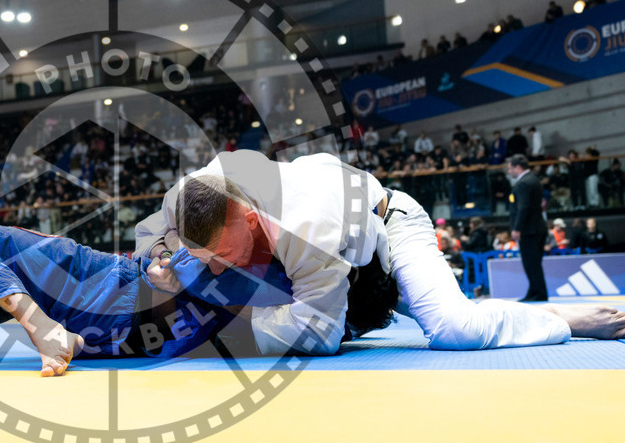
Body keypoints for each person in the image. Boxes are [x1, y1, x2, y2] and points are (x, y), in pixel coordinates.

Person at [136, 150, 625, 356]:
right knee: (195, 271)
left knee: (457, 329)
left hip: (387, 238)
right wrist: (156, 252)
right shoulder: (190, 195)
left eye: (224, 251)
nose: (221, 264)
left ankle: (573, 318)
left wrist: (221, 330)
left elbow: (321, 335)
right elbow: (154, 228)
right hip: (332, 257)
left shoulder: (307, 224)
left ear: (250, 219)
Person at [0, 218, 397, 376]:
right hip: (107, 286)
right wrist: (165, 260)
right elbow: (181, 260)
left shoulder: (299, 294)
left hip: (106, 308)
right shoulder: (295, 283)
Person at [507, 154, 547, 302]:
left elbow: (523, 208)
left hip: (529, 230)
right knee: (534, 263)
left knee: (531, 263)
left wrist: (517, 228)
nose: (509, 171)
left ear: (517, 167)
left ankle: (539, 292)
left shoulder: (523, 183)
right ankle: (534, 290)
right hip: (537, 227)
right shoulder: (534, 179)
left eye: (510, 168)